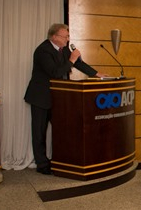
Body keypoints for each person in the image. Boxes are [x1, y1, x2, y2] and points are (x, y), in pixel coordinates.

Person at [24, 23, 106, 175]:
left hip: (58, 97)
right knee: (39, 132)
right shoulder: (43, 50)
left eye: (68, 36)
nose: (68, 39)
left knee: (62, 130)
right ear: (54, 37)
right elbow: (55, 72)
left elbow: (79, 63)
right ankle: (42, 164)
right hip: (40, 97)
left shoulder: (63, 49)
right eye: (65, 36)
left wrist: (96, 74)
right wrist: (72, 60)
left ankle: (61, 160)